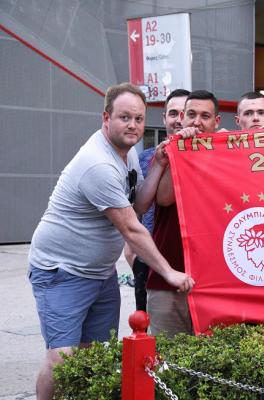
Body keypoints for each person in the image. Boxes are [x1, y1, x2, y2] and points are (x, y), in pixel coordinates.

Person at [28, 83, 195, 400]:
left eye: (138, 119)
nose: (133, 125)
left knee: (93, 354)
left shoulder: (127, 154)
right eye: (124, 117)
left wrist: (159, 164)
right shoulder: (98, 164)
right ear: (106, 118)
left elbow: (140, 204)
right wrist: (168, 272)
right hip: (62, 271)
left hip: (100, 272)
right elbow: (132, 228)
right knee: (62, 358)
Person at [146, 89, 222, 337]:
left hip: (216, 286)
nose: (197, 122)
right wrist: (181, 150)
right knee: (166, 356)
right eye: (191, 114)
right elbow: (164, 198)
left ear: (216, 122)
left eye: (205, 116)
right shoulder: (166, 152)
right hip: (168, 282)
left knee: (214, 358)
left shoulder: (228, 155)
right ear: (182, 117)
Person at [124, 88, 190, 312]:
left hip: (188, 257)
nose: (178, 120)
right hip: (150, 257)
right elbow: (134, 208)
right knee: (146, 324)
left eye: (185, 113)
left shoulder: (207, 155)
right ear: (164, 118)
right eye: (173, 113)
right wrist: (132, 253)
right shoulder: (144, 158)